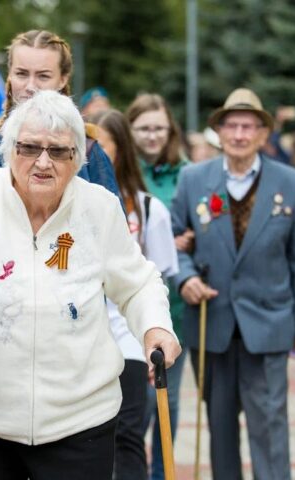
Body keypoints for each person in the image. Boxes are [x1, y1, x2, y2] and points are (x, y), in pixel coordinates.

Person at [0, 90, 180, 479]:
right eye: (29, 148)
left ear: (78, 158)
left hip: (79, 420)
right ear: (9, 151)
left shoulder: (99, 207)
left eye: (58, 151)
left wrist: (155, 325)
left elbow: (138, 281)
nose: (43, 162)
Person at [171, 88, 295, 480]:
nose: (238, 134)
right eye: (231, 126)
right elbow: (173, 242)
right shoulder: (193, 179)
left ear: (262, 134)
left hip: (269, 323)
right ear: (218, 131)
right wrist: (185, 277)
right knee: (219, 427)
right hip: (211, 322)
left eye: (247, 126)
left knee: (269, 425)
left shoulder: (293, 183)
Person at [0, 29, 121, 203]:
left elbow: (112, 227)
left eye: (43, 76)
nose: (31, 86)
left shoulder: (87, 150)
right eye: (21, 74)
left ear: (63, 79)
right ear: (9, 76)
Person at [92, 109, 178, 480]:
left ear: (121, 151)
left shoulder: (147, 208)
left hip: (127, 339)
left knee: (127, 434)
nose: (89, 156)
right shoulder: (66, 207)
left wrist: (155, 333)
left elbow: (155, 281)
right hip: (81, 339)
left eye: (100, 148)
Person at [125, 92, 189, 480]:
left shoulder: (186, 173)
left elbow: (190, 225)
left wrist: (182, 240)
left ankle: (163, 471)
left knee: (169, 398)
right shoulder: (123, 172)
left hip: (170, 303)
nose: (151, 136)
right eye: (144, 129)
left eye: (159, 129)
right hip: (126, 303)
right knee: (137, 403)